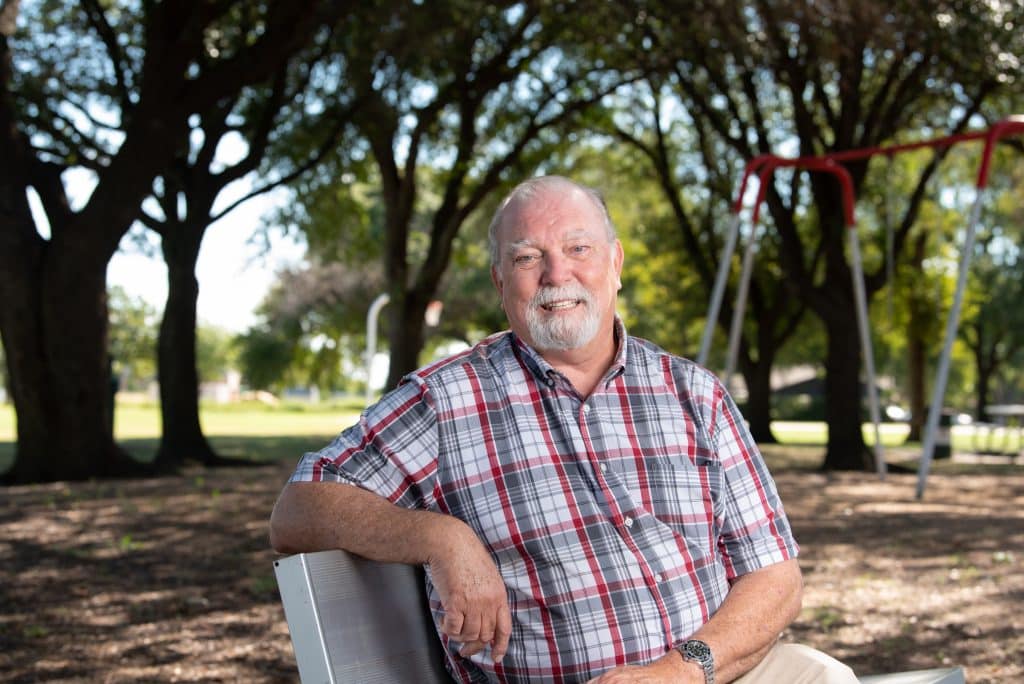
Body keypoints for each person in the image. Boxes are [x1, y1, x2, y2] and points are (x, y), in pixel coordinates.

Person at [270, 176, 858, 683]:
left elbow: (775, 575)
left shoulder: (694, 393)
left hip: (712, 670)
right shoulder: (445, 401)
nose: (557, 274)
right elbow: (296, 511)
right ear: (501, 282)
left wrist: (682, 669)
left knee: (826, 676)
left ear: (615, 265)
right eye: (528, 258)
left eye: (578, 247)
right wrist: (442, 537)